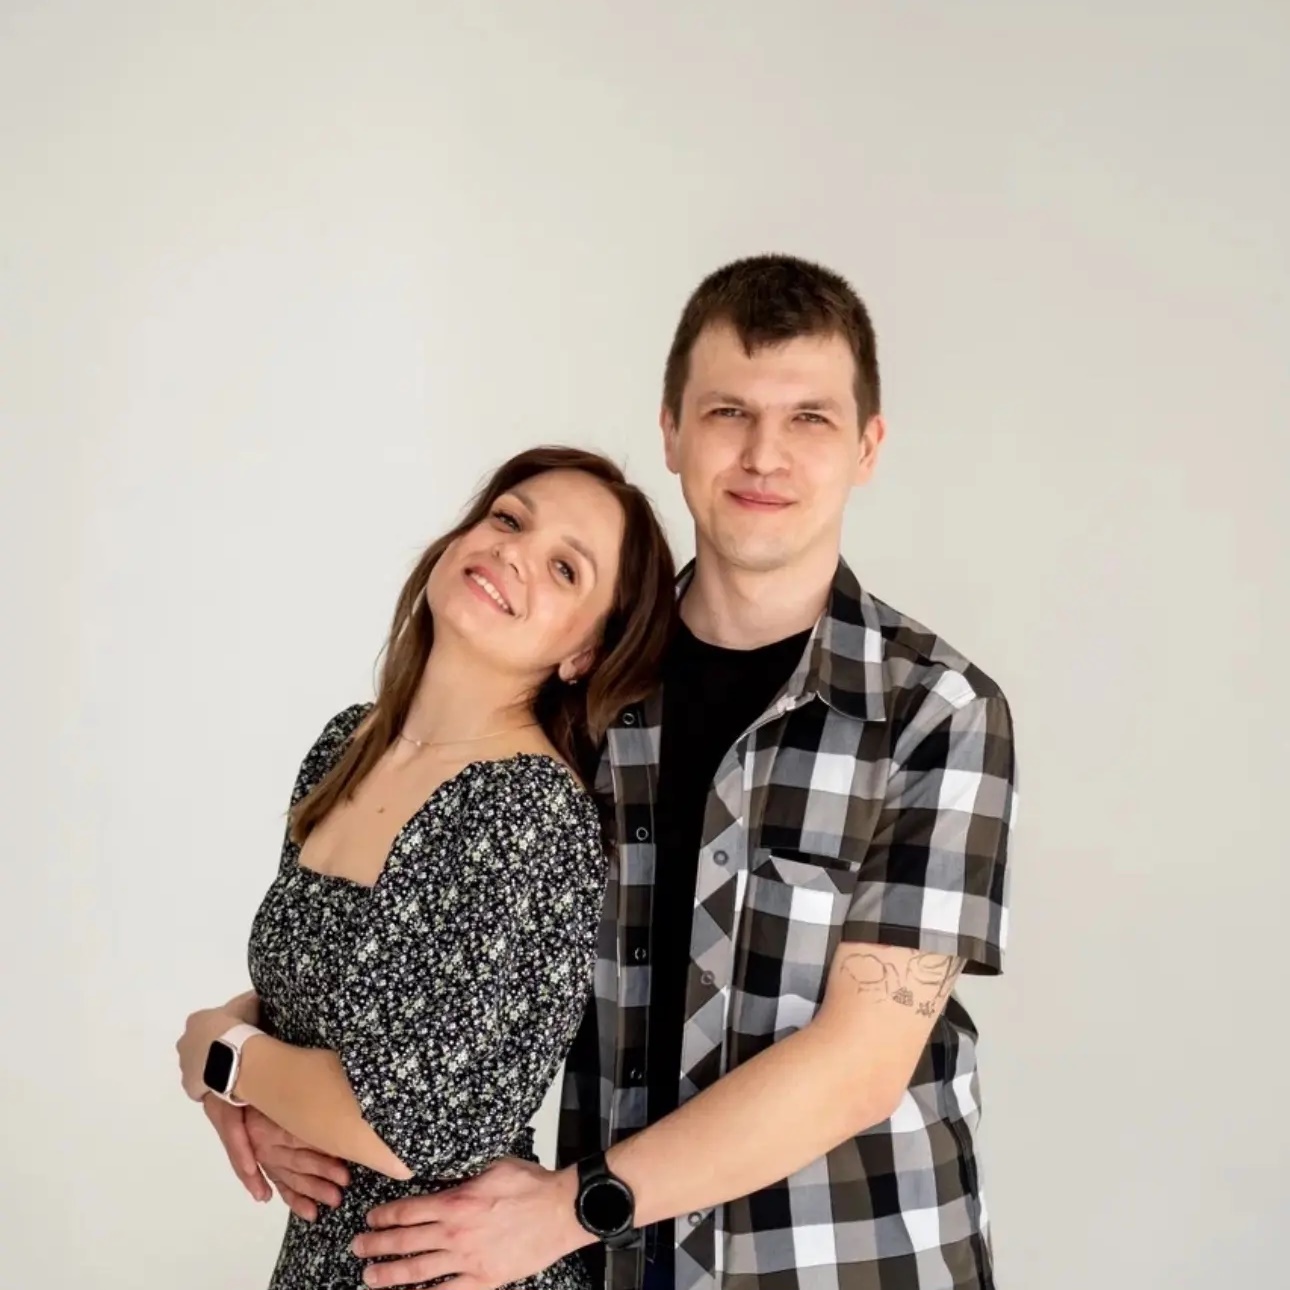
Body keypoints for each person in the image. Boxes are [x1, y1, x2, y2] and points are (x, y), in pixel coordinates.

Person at [222, 254, 1020, 1290]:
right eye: (728, 411)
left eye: (810, 418)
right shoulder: (580, 700)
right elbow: (424, 972)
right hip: (612, 1269)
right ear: (672, 431)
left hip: (849, 1259)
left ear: (868, 446)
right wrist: (238, 1065)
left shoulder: (934, 712)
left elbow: (860, 1067)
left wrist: (571, 1205)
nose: (764, 453)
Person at [175, 445, 677, 1290]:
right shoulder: (348, 746)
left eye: (565, 569)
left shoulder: (528, 810)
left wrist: (222, 1056)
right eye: (507, 518)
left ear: (586, 653)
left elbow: (410, 1124)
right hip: (322, 1260)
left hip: (441, 1268)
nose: (514, 552)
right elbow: (319, 1007)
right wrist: (243, 1059)